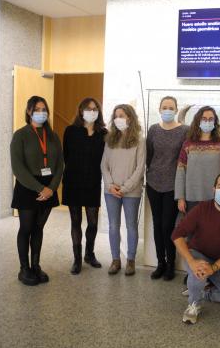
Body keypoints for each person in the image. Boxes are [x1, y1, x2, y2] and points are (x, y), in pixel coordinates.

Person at [171, 173, 220, 324]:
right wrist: (191, 261)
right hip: (197, 255)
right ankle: (193, 303)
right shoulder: (202, 208)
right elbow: (177, 235)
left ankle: (205, 293)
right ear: (214, 189)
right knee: (199, 270)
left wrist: (213, 268)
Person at [10, 96, 64, 286]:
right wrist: (40, 188)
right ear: (29, 112)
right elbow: (17, 168)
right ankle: (24, 269)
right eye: (37, 109)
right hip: (28, 187)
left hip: (49, 186)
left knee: (38, 228)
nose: (42, 112)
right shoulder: (20, 135)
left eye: (44, 109)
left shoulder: (53, 136)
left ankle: (35, 266)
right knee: (26, 228)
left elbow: (60, 165)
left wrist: (51, 188)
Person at [62, 97, 107, 275]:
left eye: (95, 109)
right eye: (88, 108)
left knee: (93, 222)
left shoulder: (103, 133)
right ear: (81, 110)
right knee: (75, 221)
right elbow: (66, 155)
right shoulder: (71, 131)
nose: (92, 111)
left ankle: (90, 253)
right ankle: (77, 259)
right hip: (73, 182)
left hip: (93, 182)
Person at [146, 96, 189, 280]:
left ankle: (171, 264)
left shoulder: (184, 131)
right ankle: (160, 263)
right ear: (159, 108)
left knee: (167, 226)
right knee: (157, 225)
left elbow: (185, 159)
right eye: (164, 107)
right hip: (153, 183)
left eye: (171, 107)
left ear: (176, 109)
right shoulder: (153, 130)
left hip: (173, 185)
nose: (167, 110)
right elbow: (149, 156)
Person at [101, 104, 146, 276]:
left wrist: (125, 187)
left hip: (131, 192)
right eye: (116, 115)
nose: (118, 118)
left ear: (130, 117)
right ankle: (115, 260)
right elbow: (103, 165)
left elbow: (140, 168)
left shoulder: (139, 140)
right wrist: (110, 185)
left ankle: (131, 260)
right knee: (113, 226)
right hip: (111, 191)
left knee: (131, 226)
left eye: (122, 115)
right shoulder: (110, 139)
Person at [175, 105, 220, 214]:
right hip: (191, 198)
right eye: (204, 119)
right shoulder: (188, 144)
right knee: (192, 230)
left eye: (211, 119)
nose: (207, 122)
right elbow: (181, 171)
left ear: (215, 122)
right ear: (198, 121)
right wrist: (180, 198)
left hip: (215, 198)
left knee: (212, 230)